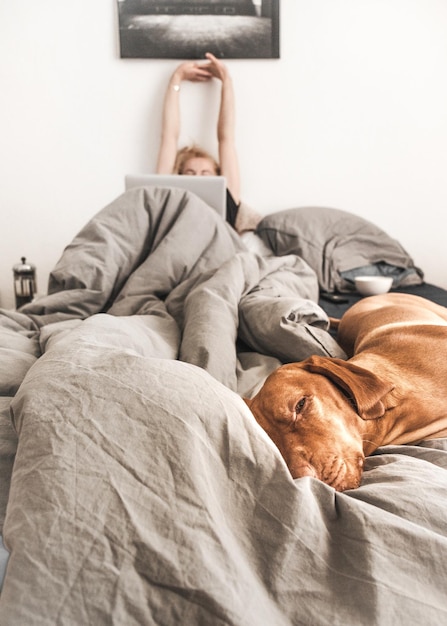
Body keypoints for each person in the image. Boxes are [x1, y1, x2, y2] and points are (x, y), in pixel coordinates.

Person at [156, 52, 241, 228]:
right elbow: (169, 137)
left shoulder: (228, 197)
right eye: (190, 174)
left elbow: (226, 138)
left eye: (206, 174)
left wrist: (226, 81)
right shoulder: (169, 199)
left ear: (219, 176)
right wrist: (176, 79)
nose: (199, 178)